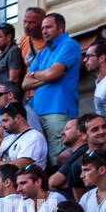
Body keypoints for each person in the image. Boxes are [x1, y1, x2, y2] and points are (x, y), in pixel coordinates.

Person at [24, 13, 82, 166]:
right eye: (42, 28)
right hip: (38, 111)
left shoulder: (69, 44)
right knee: (44, 160)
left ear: (61, 28)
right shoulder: (43, 52)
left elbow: (54, 73)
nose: (44, 31)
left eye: (48, 27)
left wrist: (36, 74)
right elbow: (25, 83)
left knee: (60, 158)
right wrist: (46, 76)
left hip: (59, 110)